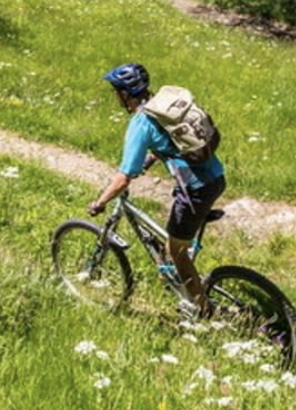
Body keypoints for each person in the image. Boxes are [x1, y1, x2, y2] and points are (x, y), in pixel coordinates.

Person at [88, 62, 225, 316]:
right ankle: (178, 276)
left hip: (197, 190)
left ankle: (204, 310)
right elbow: (171, 141)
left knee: (176, 250)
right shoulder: (162, 104)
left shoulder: (141, 122)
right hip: (216, 177)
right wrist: (151, 159)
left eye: (116, 91)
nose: (116, 96)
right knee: (174, 233)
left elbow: (123, 178)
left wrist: (100, 202)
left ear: (126, 94)